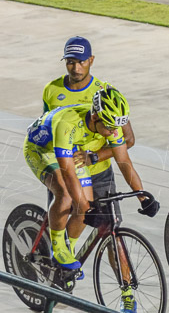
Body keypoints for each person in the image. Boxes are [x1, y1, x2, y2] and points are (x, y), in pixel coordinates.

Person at [24, 87, 157, 313]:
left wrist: (143, 195)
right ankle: (58, 246)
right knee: (67, 195)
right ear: (95, 116)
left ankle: (68, 250)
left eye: (116, 127)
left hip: (74, 150)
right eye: (108, 127)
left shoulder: (110, 124)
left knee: (86, 206)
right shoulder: (68, 123)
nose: (112, 133)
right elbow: (67, 174)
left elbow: (125, 162)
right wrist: (85, 207)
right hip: (41, 149)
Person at [42, 36, 135, 221]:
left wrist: (94, 157)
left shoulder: (105, 91)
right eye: (70, 62)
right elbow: (46, 131)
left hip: (99, 173)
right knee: (60, 223)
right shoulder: (52, 90)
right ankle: (57, 249)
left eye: (81, 62)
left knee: (111, 229)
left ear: (91, 60)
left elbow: (128, 139)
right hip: (65, 172)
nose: (76, 69)